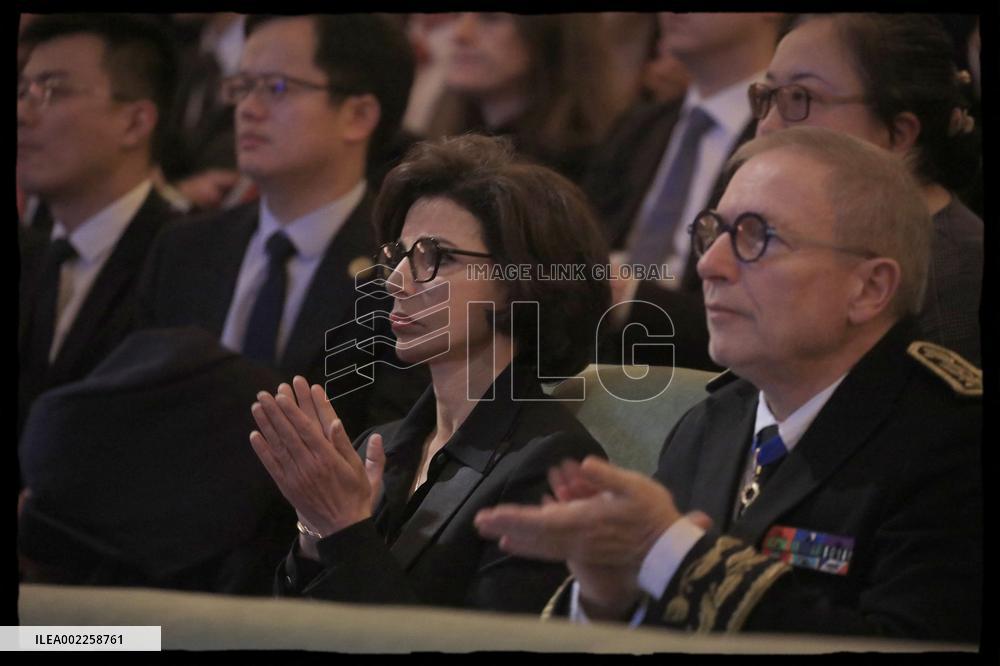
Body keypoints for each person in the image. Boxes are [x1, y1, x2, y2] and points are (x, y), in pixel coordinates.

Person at [475, 127, 982, 642]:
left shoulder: (954, 436)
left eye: (757, 236)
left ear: (868, 288)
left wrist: (670, 552)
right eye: (712, 232)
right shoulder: (710, 423)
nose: (709, 264)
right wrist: (611, 596)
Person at [248, 134, 610, 613]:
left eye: (434, 257)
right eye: (398, 255)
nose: (397, 281)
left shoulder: (552, 464)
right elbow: (288, 627)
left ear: (520, 280)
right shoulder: (379, 445)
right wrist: (316, 534)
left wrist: (344, 529)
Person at [137, 14, 421, 437]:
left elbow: (393, 446)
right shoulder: (182, 249)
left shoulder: (404, 274)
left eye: (276, 87)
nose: (247, 109)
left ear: (358, 115)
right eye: (242, 87)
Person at [754, 13, 983, 365]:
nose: (768, 127)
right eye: (768, 96)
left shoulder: (960, 284)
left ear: (898, 134)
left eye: (801, 97)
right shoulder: (804, 239)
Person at [582, 12, 786, 371]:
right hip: (598, 363)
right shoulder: (640, 127)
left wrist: (627, 297)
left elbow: (769, 321)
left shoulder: (785, 140)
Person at [18, 14, 181, 439]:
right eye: (23, 91)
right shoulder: (32, 253)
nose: (23, 113)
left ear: (135, 121)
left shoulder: (187, 260)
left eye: (52, 91)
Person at [425, 13, 623, 184]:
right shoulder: (441, 137)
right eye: (457, 15)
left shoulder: (591, 163)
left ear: (551, 32)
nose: (461, 33)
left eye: (491, 17)